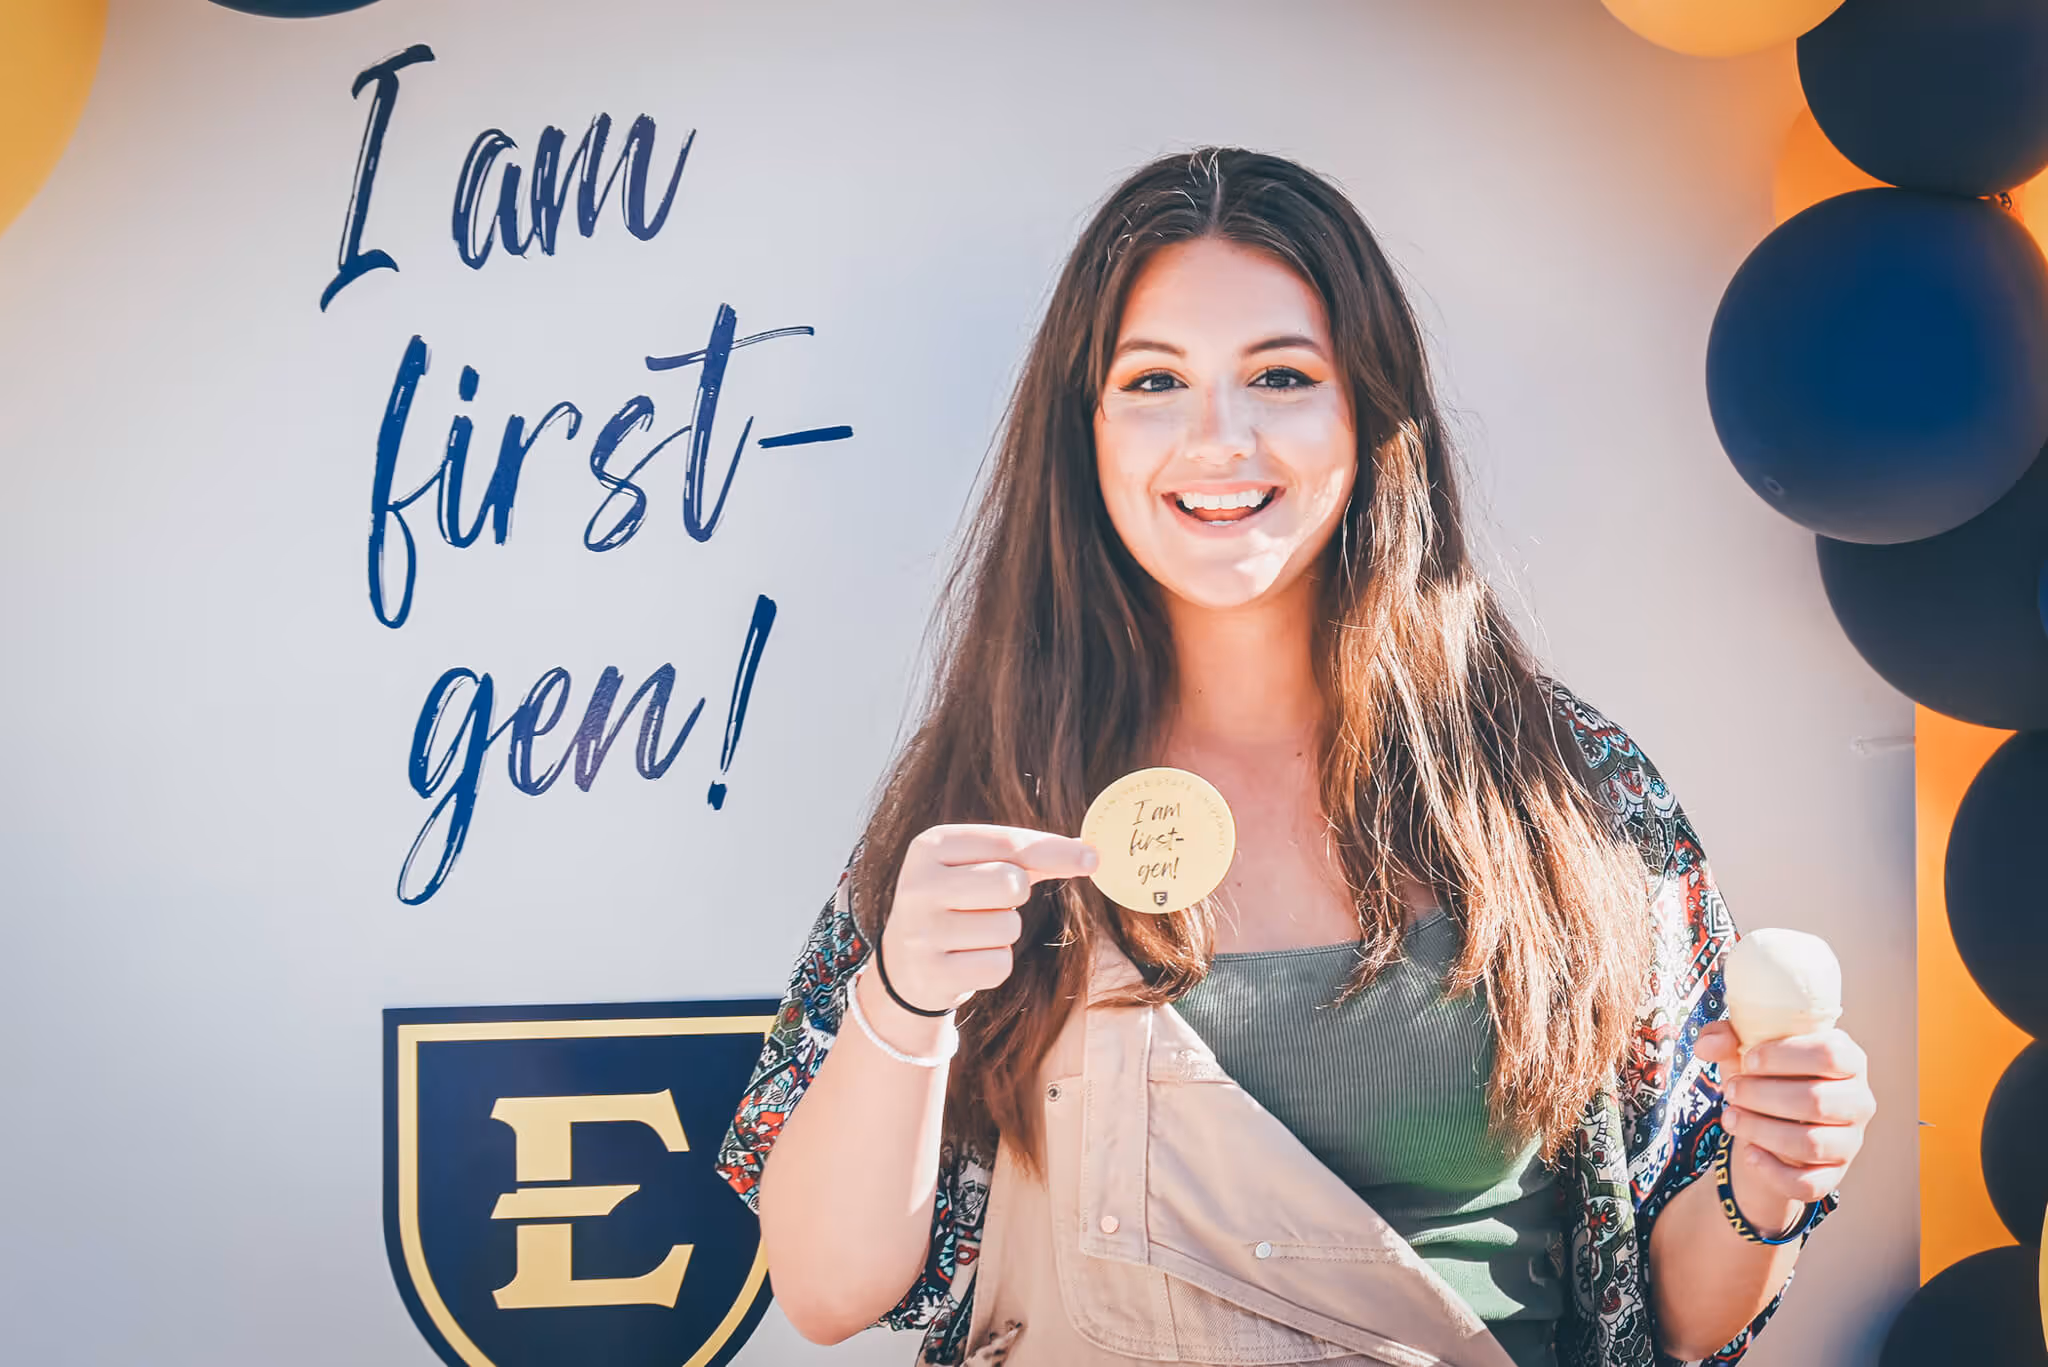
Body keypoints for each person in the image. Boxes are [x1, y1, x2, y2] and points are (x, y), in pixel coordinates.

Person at [715, 148, 1875, 1367]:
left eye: (1279, 374)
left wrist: (1768, 1176)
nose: (1218, 437)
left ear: (1371, 413)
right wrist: (902, 999)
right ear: (1085, 431)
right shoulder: (995, 784)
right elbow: (828, 1287)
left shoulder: (1559, 787)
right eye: (1154, 379)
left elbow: (1679, 1314)